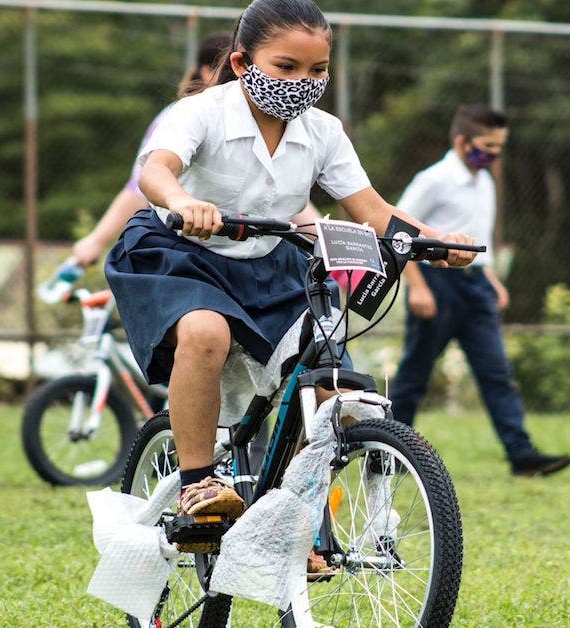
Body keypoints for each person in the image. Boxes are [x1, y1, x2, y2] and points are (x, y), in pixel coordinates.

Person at [105, 0, 477, 520]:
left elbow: (372, 210)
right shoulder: (199, 112)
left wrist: (436, 241)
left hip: (267, 263)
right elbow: (155, 171)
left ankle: (290, 520)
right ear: (241, 64)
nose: (303, 81)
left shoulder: (323, 132)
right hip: (177, 255)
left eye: (318, 70)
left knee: (335, 389)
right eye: (287, 66)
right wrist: (182, 201)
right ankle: (197, 487)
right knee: (207, 333)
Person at [388, 104, 570, 478]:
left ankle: (522, 456)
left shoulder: (485, 182)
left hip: (476, 289)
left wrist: (491, 281)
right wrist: (418, 287)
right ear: (462, 140)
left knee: (496, 372)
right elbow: (398, 232)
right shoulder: (434, 180)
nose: (494, 154)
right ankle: (390, 453)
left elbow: (478, 242)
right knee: (414, 375)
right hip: (437, 284)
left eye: (499, 147)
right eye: (488, 146)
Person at [70, 33, 233, 267]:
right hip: (182, 253)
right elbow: (142, 184)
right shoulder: (181, 116)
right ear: (207, 72)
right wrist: (97, 240)